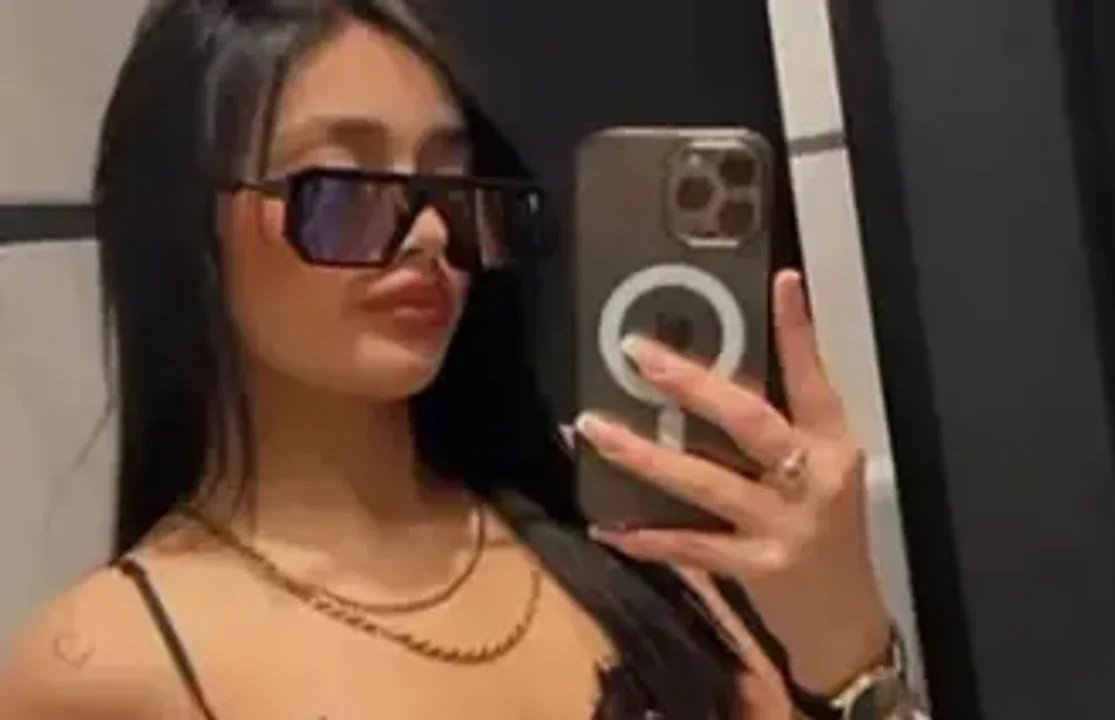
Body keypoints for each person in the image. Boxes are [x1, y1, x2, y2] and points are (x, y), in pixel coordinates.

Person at [0, 1, 918, 717]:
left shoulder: (619, 544)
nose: (433, 233)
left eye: (450, 182)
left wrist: (847, 647)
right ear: (180, 227)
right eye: (345, 185)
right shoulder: (104, 666)